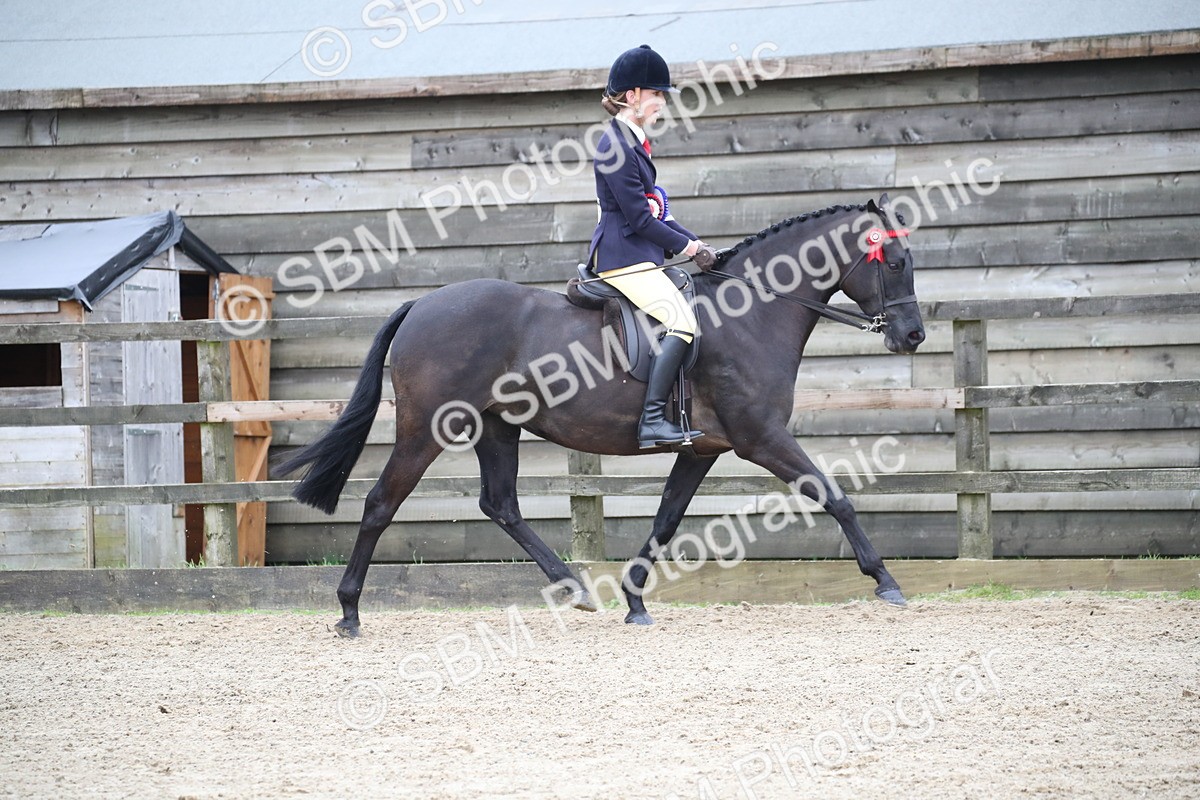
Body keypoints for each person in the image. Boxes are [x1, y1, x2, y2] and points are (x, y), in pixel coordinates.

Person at [587, 44, 706, 449]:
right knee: (682, 322)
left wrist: (698, 243)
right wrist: (688, 251)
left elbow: (658, 212)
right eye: (657, 95)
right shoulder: (617, 145)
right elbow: (639, 219)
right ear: (633, 95)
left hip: (640, 254)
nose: (661, 104)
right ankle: (652, 421)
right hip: (624, 258)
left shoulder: (631, 142)